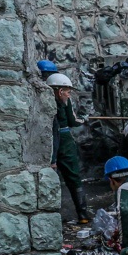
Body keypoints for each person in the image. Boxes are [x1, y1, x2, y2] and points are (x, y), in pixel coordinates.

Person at [47, 73, 89, 224]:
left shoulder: (45, 100)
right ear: (60, 92)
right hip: (62, 141)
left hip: (53, 141)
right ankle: (83, 214)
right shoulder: (63, 102)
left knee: (53, 178)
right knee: (73, 177)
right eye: (68, 92)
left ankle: (52, 218)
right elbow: (72, 121)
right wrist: (84, 120)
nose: (68, 95)